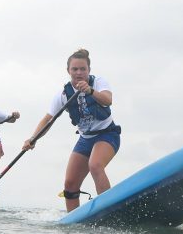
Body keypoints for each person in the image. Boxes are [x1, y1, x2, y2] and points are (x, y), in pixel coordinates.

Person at [23, 49, 121, 212]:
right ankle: (73, 222)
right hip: (85, 139)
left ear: (89, 70)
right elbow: (48, 119)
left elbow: (108, 99)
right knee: (70, 184)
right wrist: (33, 139)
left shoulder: (98, 82)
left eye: (83, 69)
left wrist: (90, 91)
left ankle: (109, 210)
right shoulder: (63, 94)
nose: (79, 72)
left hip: (107, 134)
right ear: (68, 71)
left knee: (95, 165)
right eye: (75, 69)